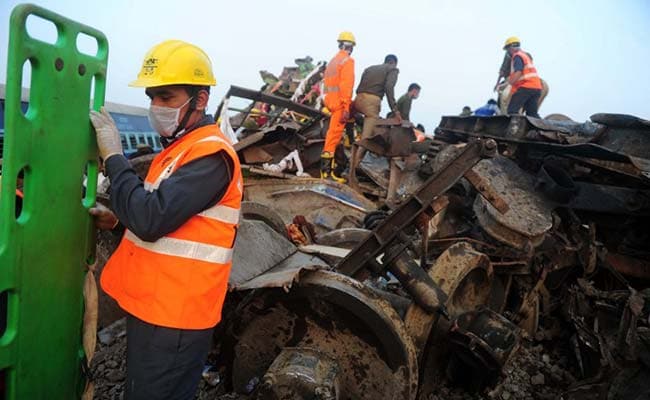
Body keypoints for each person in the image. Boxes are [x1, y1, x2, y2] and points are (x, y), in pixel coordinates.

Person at [88, 40, 242, 400]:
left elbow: (150, 217)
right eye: (153, 96)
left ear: (200, 100)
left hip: (176, 317)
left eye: (167, 97)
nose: (156, 107)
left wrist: (114, 157)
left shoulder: (211, 154)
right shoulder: (180, 149)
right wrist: (118, 222)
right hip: (157, 306)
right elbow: (173, 222)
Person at [321, 31, 356, 183]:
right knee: (333, 137)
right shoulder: (347, 61)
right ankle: (326, 173)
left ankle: (329, 171)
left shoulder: (333, 62)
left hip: (330, 102)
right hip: (339, 105)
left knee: (332, 136)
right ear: (351, 47)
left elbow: (327, 85)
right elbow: (346, 86)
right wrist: (347, 108)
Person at [497, 36, 543, 118]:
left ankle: (514, 130)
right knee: (532, 114)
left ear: (510, 47)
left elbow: (518, 72)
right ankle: (544, 129)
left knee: (512, 110)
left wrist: (508, 84)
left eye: (507, 50)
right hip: (537, 88)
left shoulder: (517, 56)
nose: (508, 52)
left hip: (526, 87)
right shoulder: (525, 55)